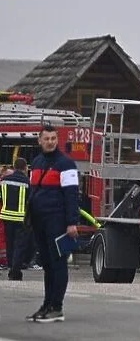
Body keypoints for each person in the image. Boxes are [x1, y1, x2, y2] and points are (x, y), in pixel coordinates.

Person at [26, 124, 80, 323]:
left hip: (57, 221)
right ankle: (47, 304)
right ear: (39, 141)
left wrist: (71, 222)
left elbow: (72, 195)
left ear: (57, 140)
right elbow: (33, 193)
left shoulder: (66, 164)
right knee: (47, 264)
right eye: (46, 139)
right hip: (40, 221)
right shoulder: (38, 162)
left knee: (58, 265)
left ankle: (57, 307)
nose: (50, 142)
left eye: (53, 139)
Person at [1, 157, 31, 280]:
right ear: (25, 168)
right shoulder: (27, 182)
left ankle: (10, 267)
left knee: (10, 243)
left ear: (14, 167)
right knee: (20, 245)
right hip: (20, 218)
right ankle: (15, 271)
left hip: (6, 216)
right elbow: (31, 201)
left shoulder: (4, 181)